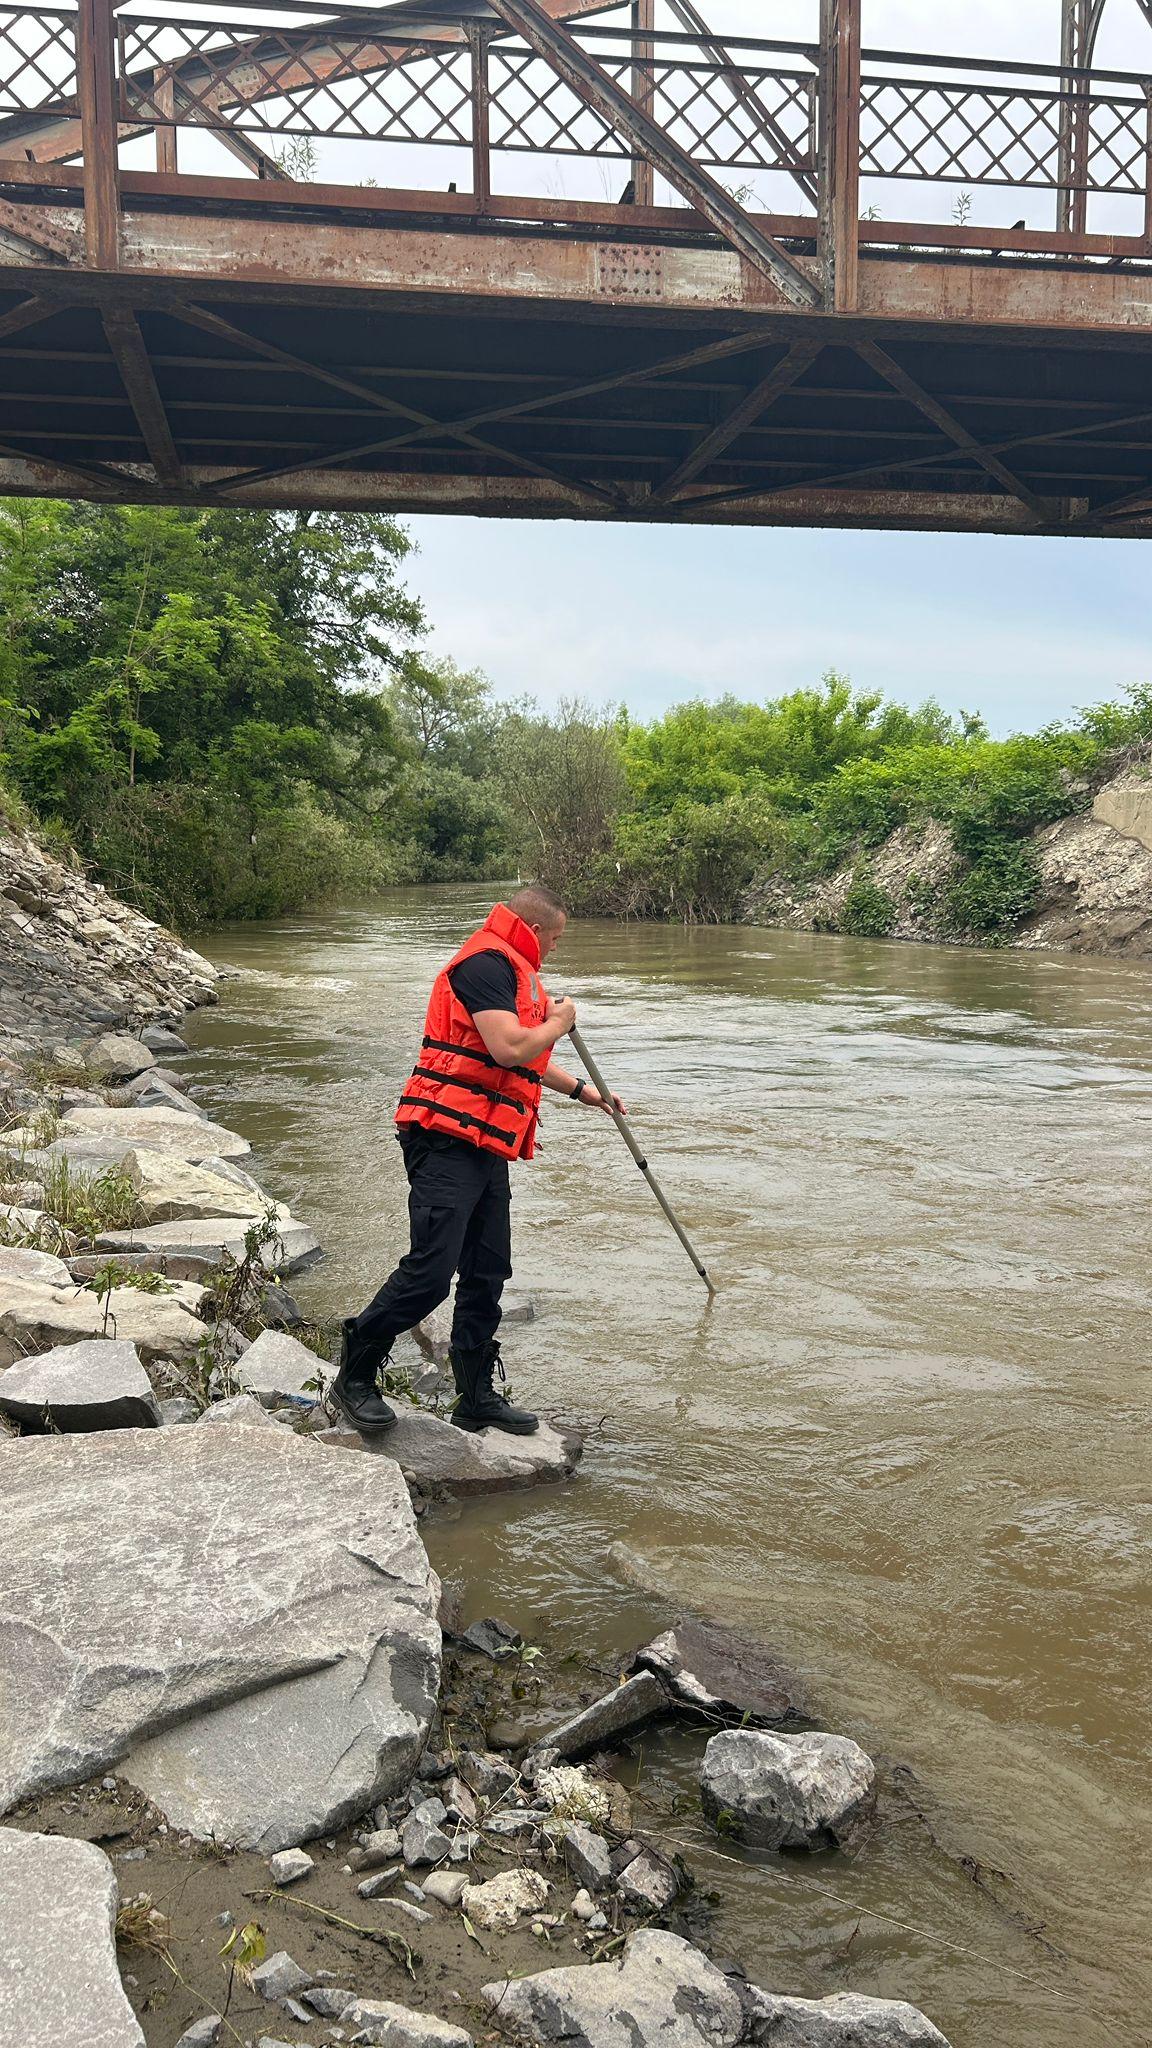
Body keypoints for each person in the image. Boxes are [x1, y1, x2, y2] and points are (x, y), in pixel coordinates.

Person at [331, 884, 624, 1438]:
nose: (556, 951)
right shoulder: (484, 964)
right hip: (442, 1137)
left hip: (486, 1140)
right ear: (534, 931)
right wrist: (560, 1022)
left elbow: (520, 1063)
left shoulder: (512, 969)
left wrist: (584, 1091)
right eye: (556, 939)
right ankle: (355, 1374)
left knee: (487, 1271)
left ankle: (475, 1396)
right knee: (431, 1273)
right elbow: (508, 1047)